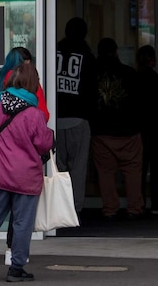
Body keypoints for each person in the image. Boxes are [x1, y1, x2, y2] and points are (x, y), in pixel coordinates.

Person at [0, 63, 54, 283]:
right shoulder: (33, 113)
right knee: (22, 223)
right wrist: (50, 135)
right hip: (24, 175)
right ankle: (16, 268)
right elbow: (43, 144)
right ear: (33, 84)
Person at [92, 38, 144, 220]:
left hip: (102, 132)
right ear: (116, 52)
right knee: (132, 170)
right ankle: (134, 208)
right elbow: (139, 103)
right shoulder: (129, 73)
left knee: (105, 172)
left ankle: (110, 209)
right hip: (128, 131)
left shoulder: (92, 73)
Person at [54, 17, 95, 216]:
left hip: (55, 118)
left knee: (57, 168)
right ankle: (75, 210)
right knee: (78, 169)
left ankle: (58, 209)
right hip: (79, 118)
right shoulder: (86, 54)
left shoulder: (54, 49)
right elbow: (92, 88)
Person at [135, 45, 158, 214]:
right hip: (157, 128)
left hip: (138, 128)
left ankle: (139, 201)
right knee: (157, 167)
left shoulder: (133, 79)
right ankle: (156, 200)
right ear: (153, 60)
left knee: (139, 168)